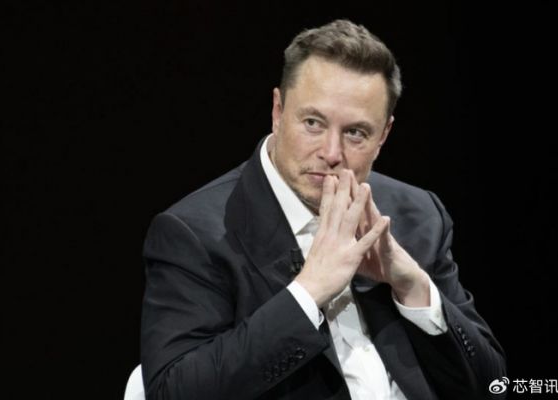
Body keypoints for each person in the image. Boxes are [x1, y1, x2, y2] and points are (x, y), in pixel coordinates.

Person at [140, 19, 506, 400]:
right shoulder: (195, 233)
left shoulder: (417, 214)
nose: (331, 153)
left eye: (355, 133)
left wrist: (413, 286)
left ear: (384, 135)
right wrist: (308, 291)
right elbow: (172, 391)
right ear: (278, 111)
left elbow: (492, 385)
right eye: (313, 123)